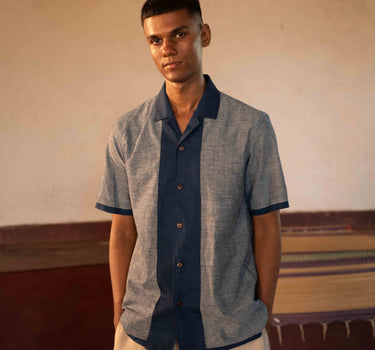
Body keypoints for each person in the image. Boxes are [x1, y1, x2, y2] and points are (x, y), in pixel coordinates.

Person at [96, 0, 289, 349]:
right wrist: (118, 312)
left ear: (204, 34)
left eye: (179, 34)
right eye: (155, 40)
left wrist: (261, 312)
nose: (167, 49)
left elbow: (267, 226)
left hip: (232, 330)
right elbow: (123, 230)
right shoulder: (127, 132)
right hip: (143, 329)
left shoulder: (251, 127)